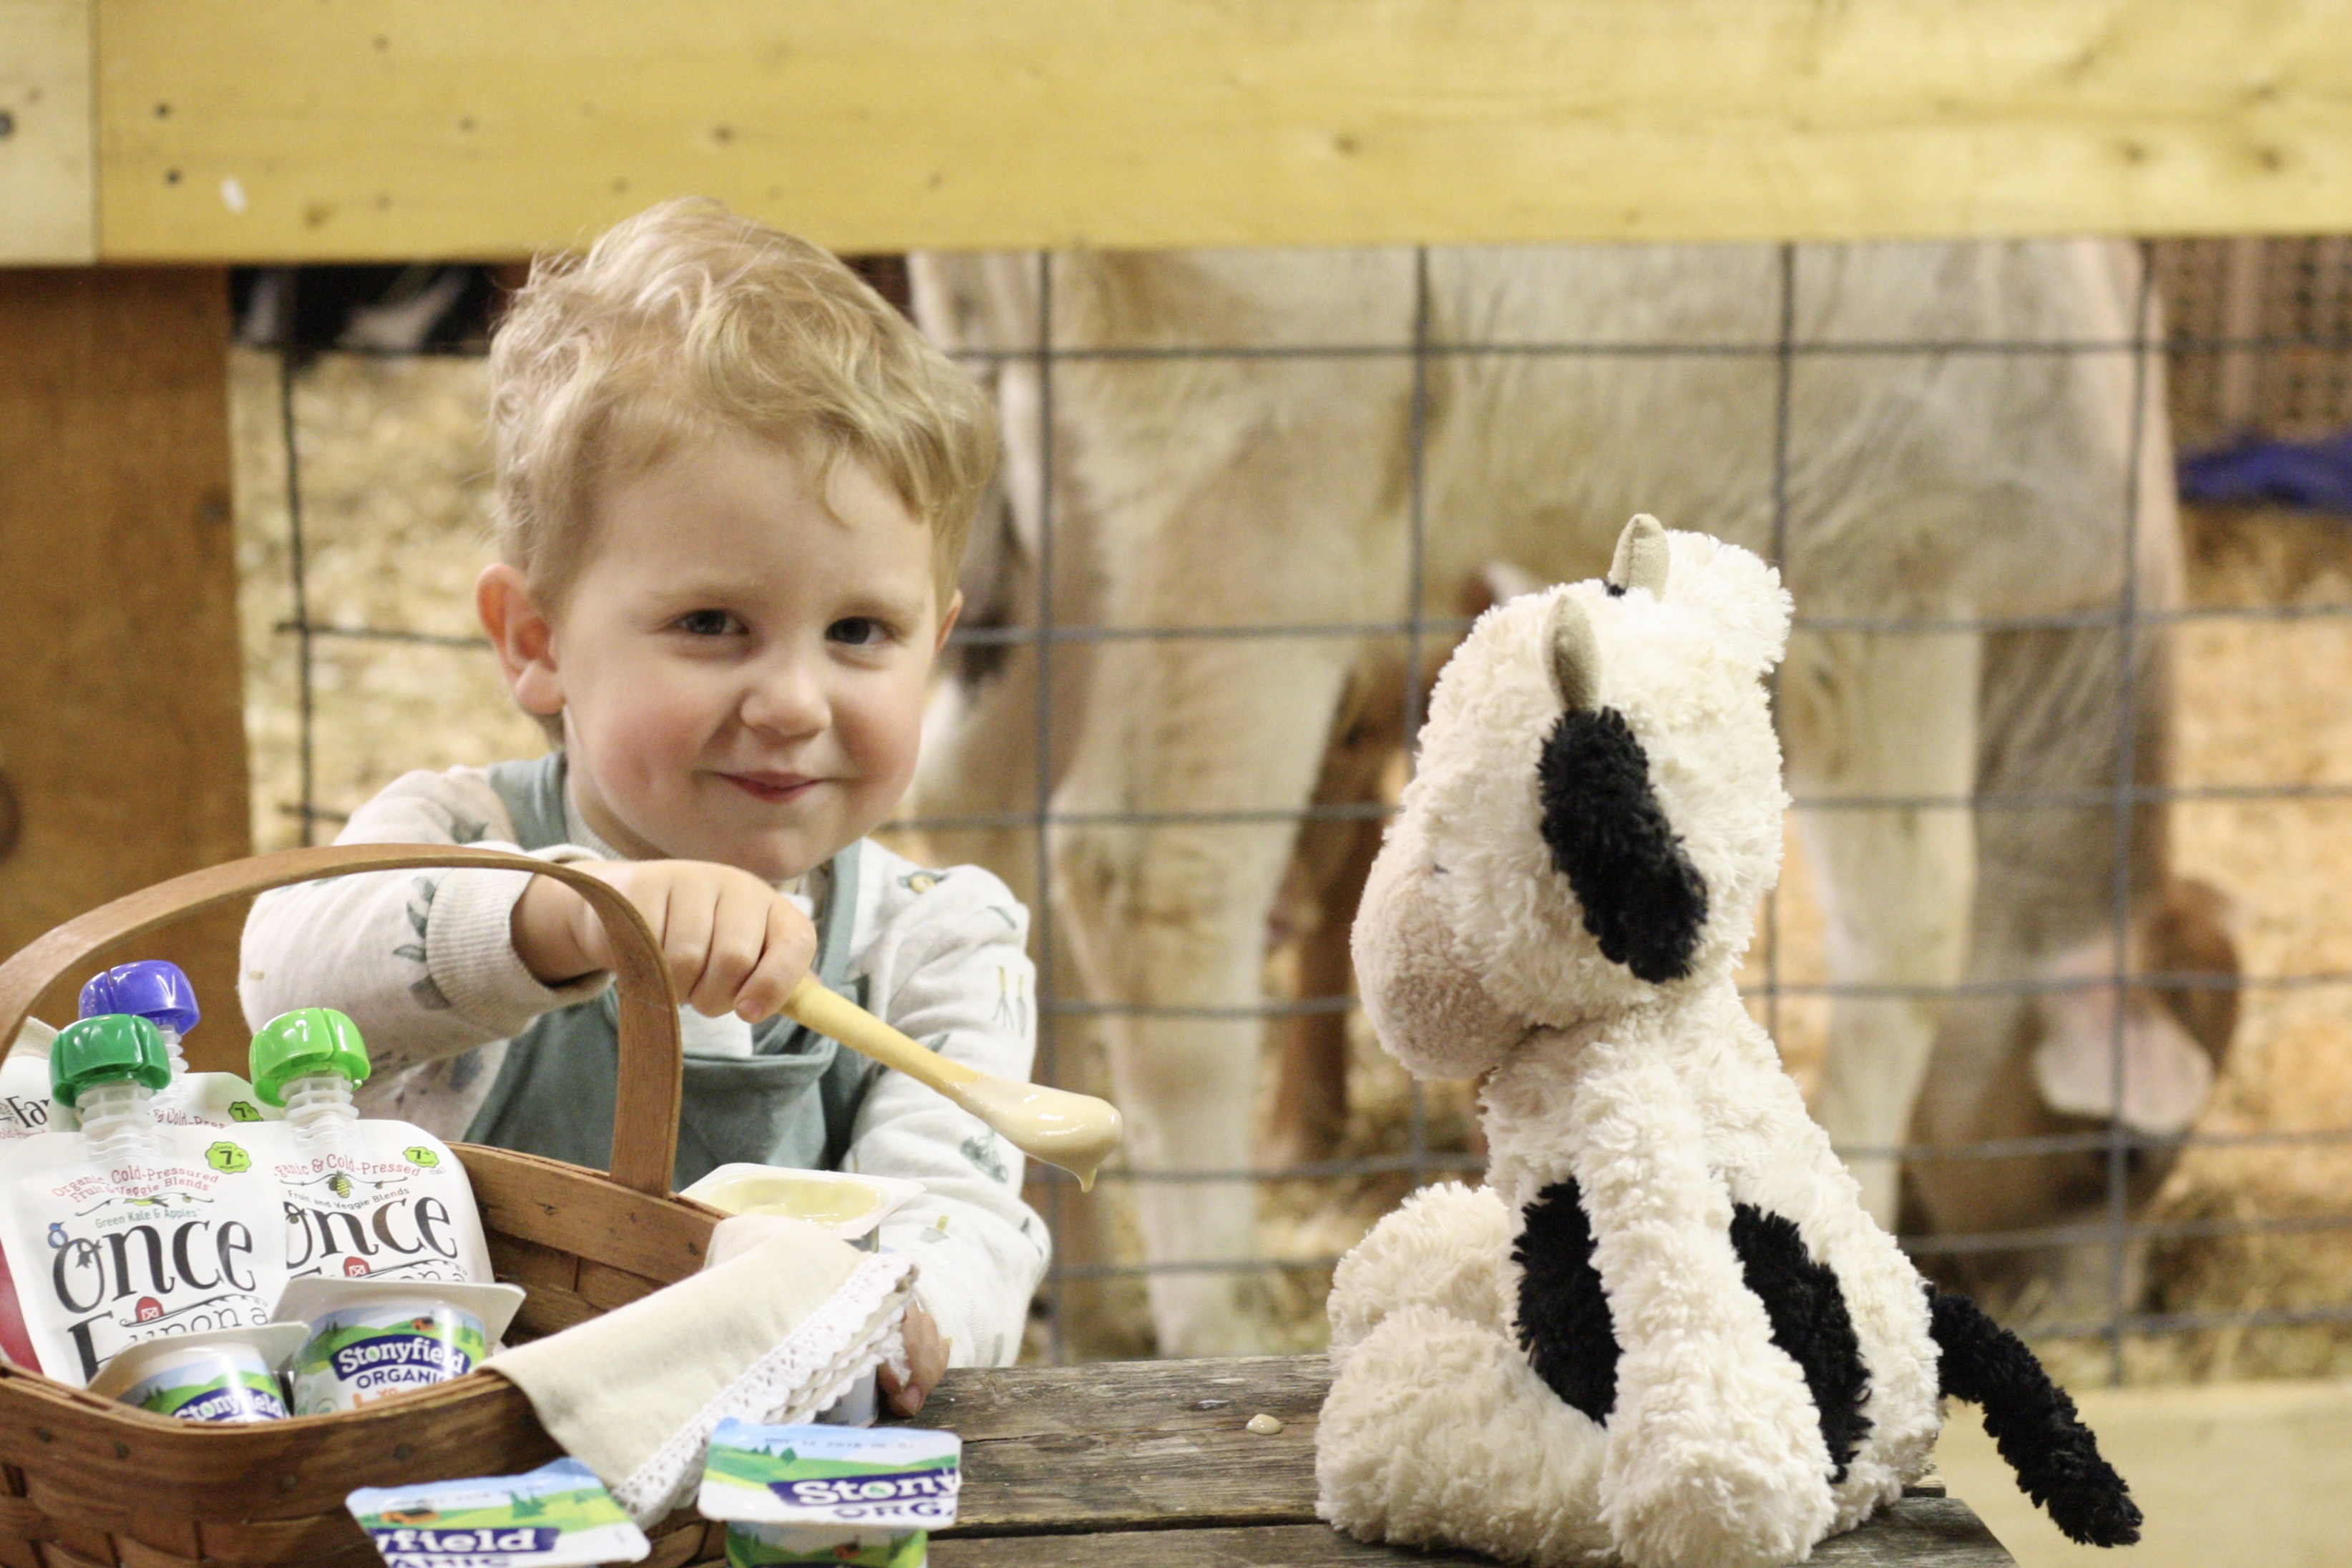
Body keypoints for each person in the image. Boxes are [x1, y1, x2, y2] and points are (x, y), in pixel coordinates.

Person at [240, 198, 1043, 1414]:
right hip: (434, 1454)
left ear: (936, 642)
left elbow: (966, 1213)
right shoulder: (457, 845)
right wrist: (574, 915)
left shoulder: (934, 947)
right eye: (713, 624)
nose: (791, 700)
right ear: (538, 640)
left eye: (860, 633)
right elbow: (284, 978)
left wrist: (914, 1307)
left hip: (764, 1480)